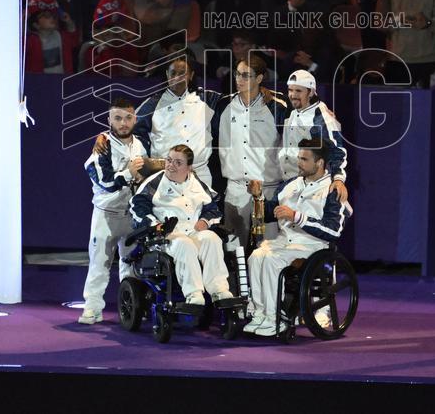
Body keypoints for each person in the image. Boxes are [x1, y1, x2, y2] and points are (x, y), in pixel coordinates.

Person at [244, 138, 352, 336]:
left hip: (312, 247)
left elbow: (334, 231)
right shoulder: (290, 185)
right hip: (285, 242)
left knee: (270, 260)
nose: (299, 163)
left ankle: (276, 317)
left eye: (304, 159)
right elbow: (269, 213)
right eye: (299, 158)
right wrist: (259, 196)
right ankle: (261, 314)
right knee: (256, 256)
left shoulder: (332, 190)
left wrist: (297, 217)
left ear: (319, 163)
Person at [128, 144, 235, 307]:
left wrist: (205, 221)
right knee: (185, 244)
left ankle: (219, 291)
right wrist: (154, 225)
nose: (171, 165)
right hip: (167, 235)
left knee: (212, 239)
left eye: (178, 162)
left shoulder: (196, 183)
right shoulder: (154, 183)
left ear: (189, 168)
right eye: (169, 160)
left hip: (194, 231)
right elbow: (137, 207)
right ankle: (194, 294)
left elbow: (213, 207)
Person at [79, 98, 149, 324]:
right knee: (100, 263)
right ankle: (92, 308)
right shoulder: (102, 147)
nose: (123, 123)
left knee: (132, 264)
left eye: (128, 117)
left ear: (135, 119)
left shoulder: (141, 144)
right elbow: (105, 183)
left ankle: (131, 308)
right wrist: (129, 173)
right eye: (117, 118)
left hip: (131, 215)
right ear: (109, 120)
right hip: (106, 215)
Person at [211, 53, 288, 247]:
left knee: (267, 252)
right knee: (233, 253)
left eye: (246, 75)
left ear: (260, 78)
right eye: (237, 74)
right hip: (235, 190)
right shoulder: (224, 105)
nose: (239, 79)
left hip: (267, 191)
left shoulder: (277, 106)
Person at [127, 57, 220, 185]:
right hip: (164, 175)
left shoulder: (207, 99)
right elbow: (127, 129)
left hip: (199, 175)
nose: (177, 77)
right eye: (173, 73)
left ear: (191, 75)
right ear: (167, 74)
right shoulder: (153, 104)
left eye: (182, 73)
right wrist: (104, 138)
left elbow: (237, 103)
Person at [278, 70, 349, 194]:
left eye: (298, 91)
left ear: (310, 92)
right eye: (290, 90)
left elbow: (336, 150)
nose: (293, 95)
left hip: (310, 189)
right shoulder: (293, 110)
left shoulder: (321, 119)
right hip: (288, 185)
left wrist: (338, 179)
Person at [25, 0, 80, 74]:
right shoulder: (31, 40)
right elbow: (20, 47)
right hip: (39, 83)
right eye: (46, 16)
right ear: (36, 25)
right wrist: (22, 21)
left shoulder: (60, 36)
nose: (51, 18)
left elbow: (74, 41)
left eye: (53, 15)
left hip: (61, 81)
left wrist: (69, 22)